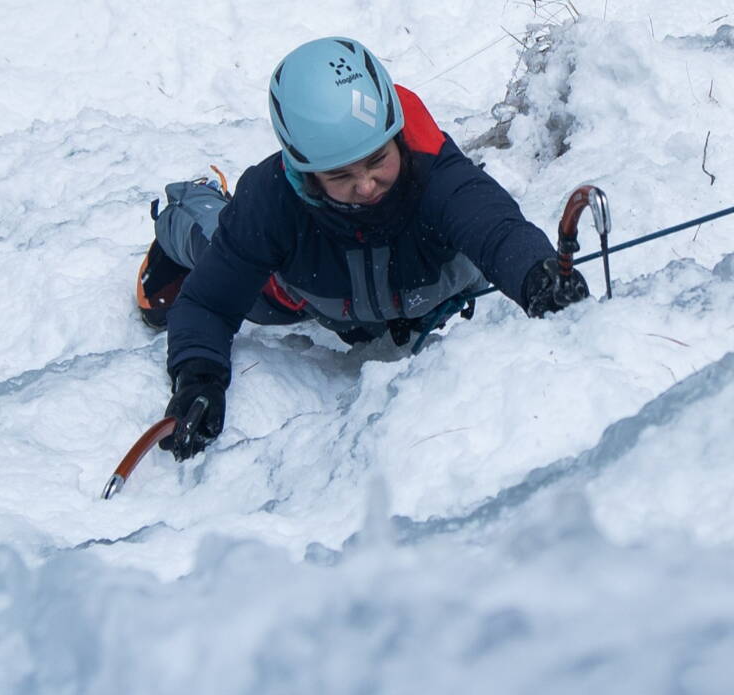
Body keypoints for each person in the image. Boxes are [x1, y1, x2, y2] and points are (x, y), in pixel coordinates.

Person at [138, 37, 591, 461]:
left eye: (378, 160)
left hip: (423, 292)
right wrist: (199, 375)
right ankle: (185, 205)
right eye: (339, 176)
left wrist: (538, 276)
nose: (366, 185)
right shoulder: (271, 201)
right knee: (210, 241)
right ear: (304, 172)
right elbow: (208, 302)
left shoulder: (437, 173)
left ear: (396, 136)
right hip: (306, 297)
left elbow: (497, 230)